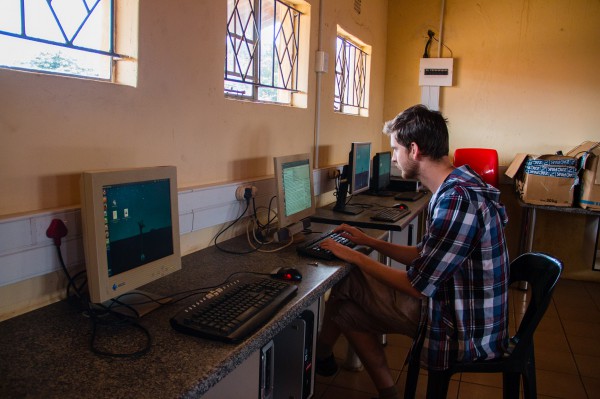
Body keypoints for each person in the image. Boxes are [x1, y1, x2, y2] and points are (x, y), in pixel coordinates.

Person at [315, 104, 510, 399]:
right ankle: (385, 390)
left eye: (396, 149)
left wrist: (354, 255)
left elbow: (418, 285)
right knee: (345, 311)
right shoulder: (458, 185)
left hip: (463, 326)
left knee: (348, 280)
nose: (394, 157)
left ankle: (321, 354)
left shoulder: (456, 201)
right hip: (463, 307)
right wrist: (370, 242)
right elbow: (426, 255)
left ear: (414, 150)